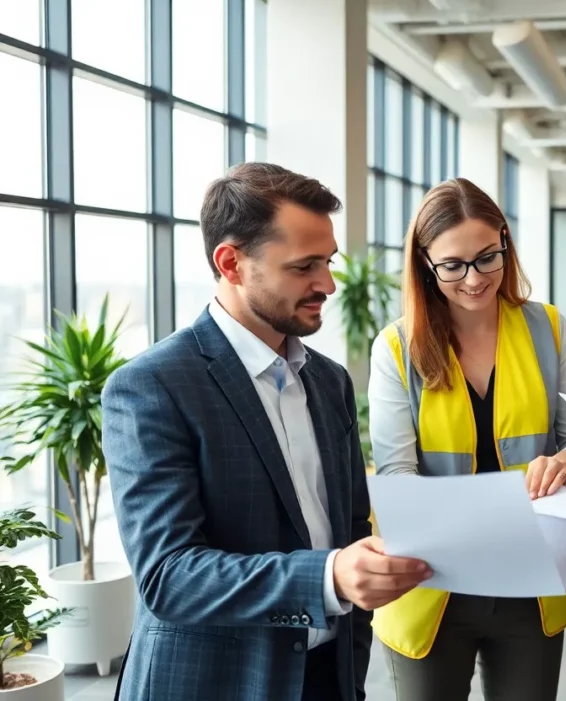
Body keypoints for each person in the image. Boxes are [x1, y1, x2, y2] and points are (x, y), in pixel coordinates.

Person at [102, 163, 432, 701]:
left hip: (329, 677)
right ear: (231, 263)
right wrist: (328, 578)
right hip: (216, 683)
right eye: (304, 267)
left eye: (327, 262)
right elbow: (168, 576)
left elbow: (347, 525)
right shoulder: (151, 386)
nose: (327, 284)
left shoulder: (329, 382)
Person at [367, 177, 566, 701]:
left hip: (532, 578)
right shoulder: (396, 347)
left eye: (487, 257)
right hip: (432, 583)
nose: (474, 279)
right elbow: (397, 474)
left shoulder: (548, 328)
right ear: (425, 263)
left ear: (504, 242)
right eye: (452, 265)